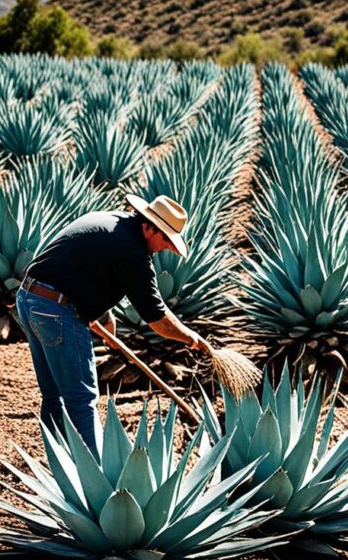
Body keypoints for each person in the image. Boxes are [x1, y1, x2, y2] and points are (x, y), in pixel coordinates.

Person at [15, 194, 212, 454]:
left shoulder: (111, 222)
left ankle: (60, 465)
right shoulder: (133, 251)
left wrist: (105, 323)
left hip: (29, 299)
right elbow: (157, 318)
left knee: (55, 395)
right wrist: (191, 339)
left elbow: (86, 271)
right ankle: (96, 479)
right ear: (148, 225)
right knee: (82, 399)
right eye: (164, 239)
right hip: (55, 310)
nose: (165, 247)